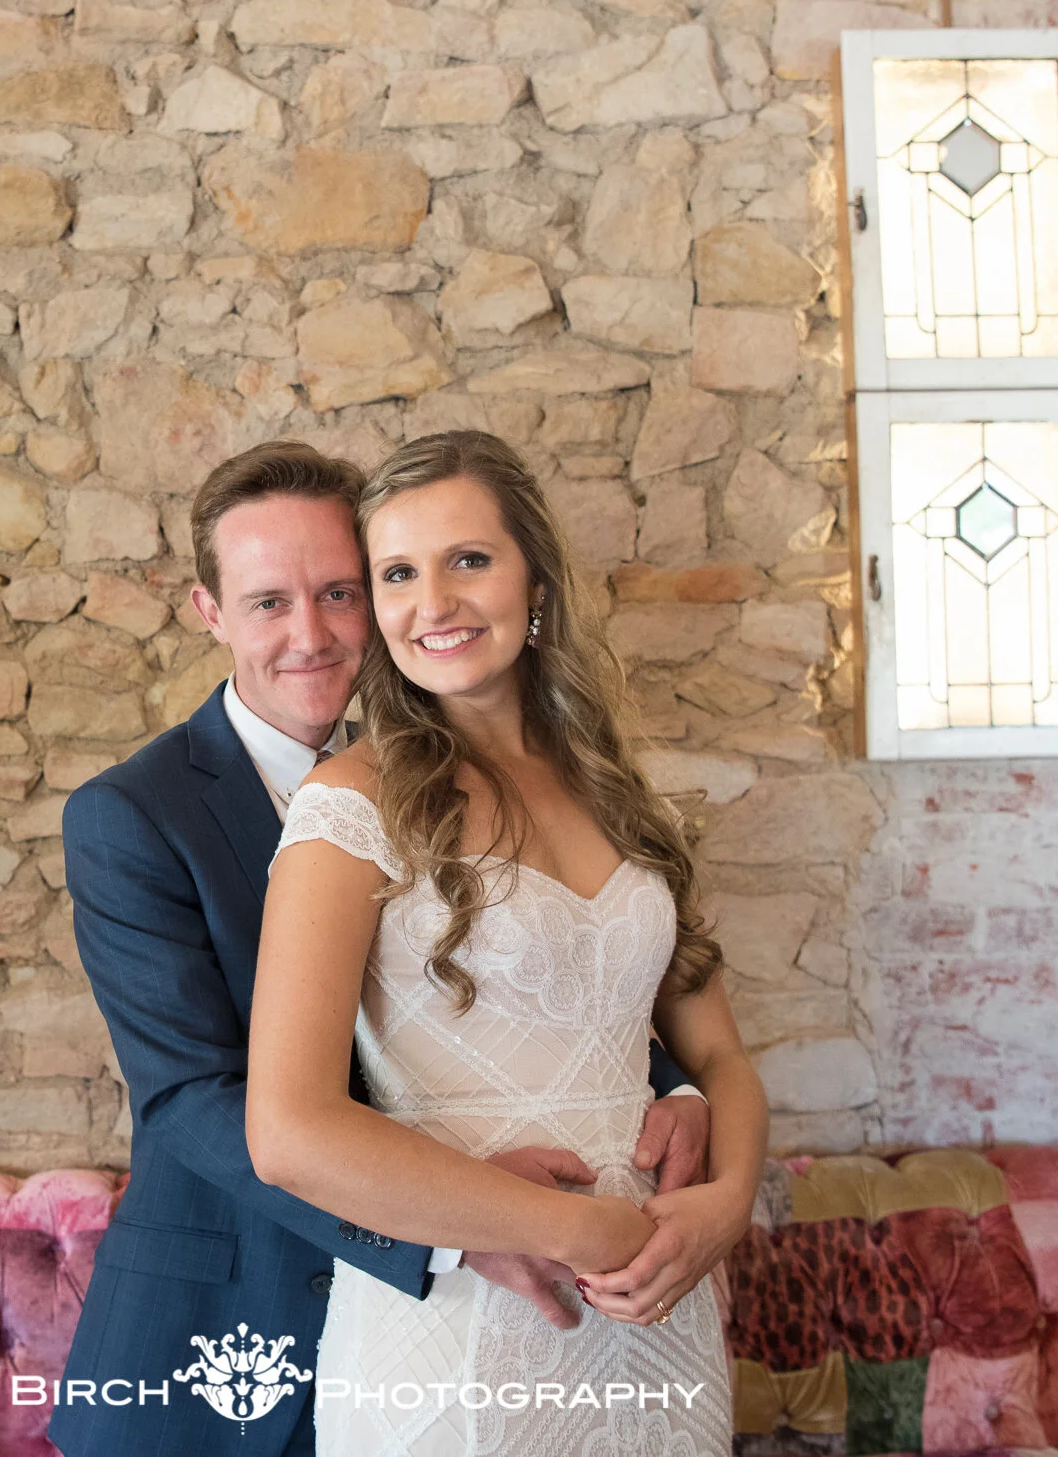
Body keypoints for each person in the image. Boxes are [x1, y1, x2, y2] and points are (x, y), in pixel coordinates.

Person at [52, 441, 714, 1457]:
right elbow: (190, 1096)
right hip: (230, 1325)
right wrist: (458, 1229)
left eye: (340, 592)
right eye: (268, 602)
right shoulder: (133, 814)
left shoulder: (451, 772)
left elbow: (534, 975)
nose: (311, 635)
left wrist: (676, 1088)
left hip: (510, 1321)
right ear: (209, 611)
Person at [246, 429, 763, 1455]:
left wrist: (724, 1208)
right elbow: (288, 1131)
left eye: (468, 559)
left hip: (660, 1315)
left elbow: (719, 1058)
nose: (432, 602)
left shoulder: (622, 795)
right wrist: (572, 1228)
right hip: (459, 1341)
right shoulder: (348, 806)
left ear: (536, 580)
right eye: (398, 573)